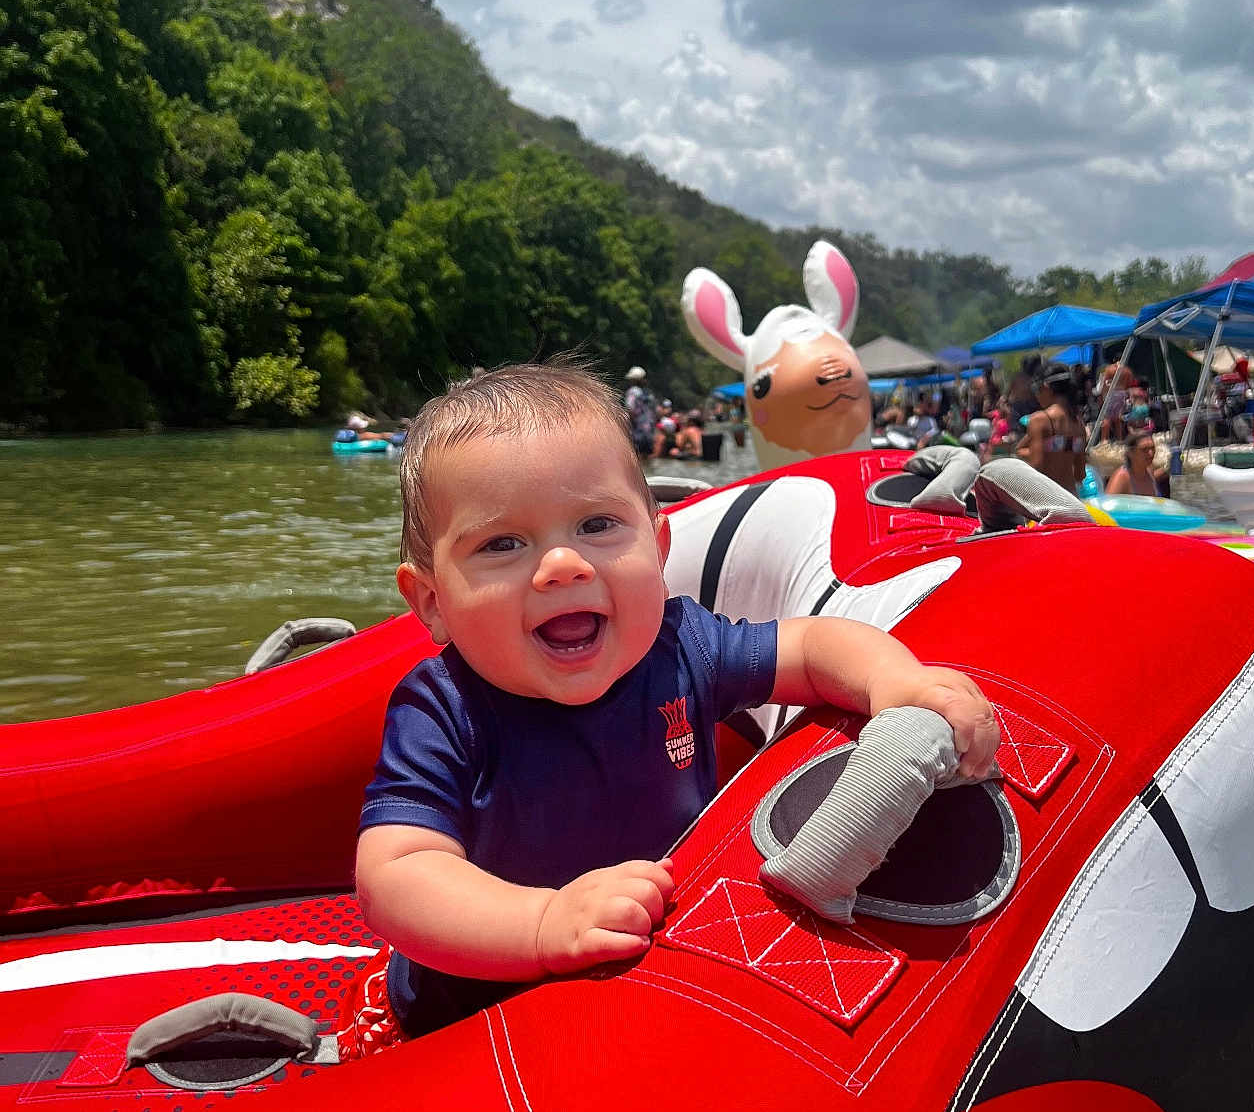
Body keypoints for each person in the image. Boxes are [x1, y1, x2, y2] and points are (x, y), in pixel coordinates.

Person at [349, 362, 1000, 1049]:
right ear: (431, 603)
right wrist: (544, 924)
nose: (563, 565)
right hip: (470, 1016)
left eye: (598, 524)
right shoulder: (444, 710)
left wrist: (895, 683)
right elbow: (395, 873)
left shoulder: (683, 646)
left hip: (653, 975)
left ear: (659, 550)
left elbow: (810, 649)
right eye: (502, 544)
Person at [1016, 361, 1088, 493]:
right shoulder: (1078, 424)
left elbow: (1037, 465)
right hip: (1071, 500)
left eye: (1036, 389)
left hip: (1047, 500)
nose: (1036, 396)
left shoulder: (1040, 420)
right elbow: (1080, 474)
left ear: (1046, 387)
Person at [1106, 431, 1168, 497]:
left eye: (1152, 448)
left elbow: (1155, 476)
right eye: (1144, 449)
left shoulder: (1149, 470)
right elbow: (1106, 505)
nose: (1151, 453)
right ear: (1130, 453)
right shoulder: (1122, 477)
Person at [623, 366, 656, 458]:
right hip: (649, 432)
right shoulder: (649, 394)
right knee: (647, 459)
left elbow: (630, 409)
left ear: (633, 380)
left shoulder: (633, 392)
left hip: (637, 431)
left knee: (637, 459)